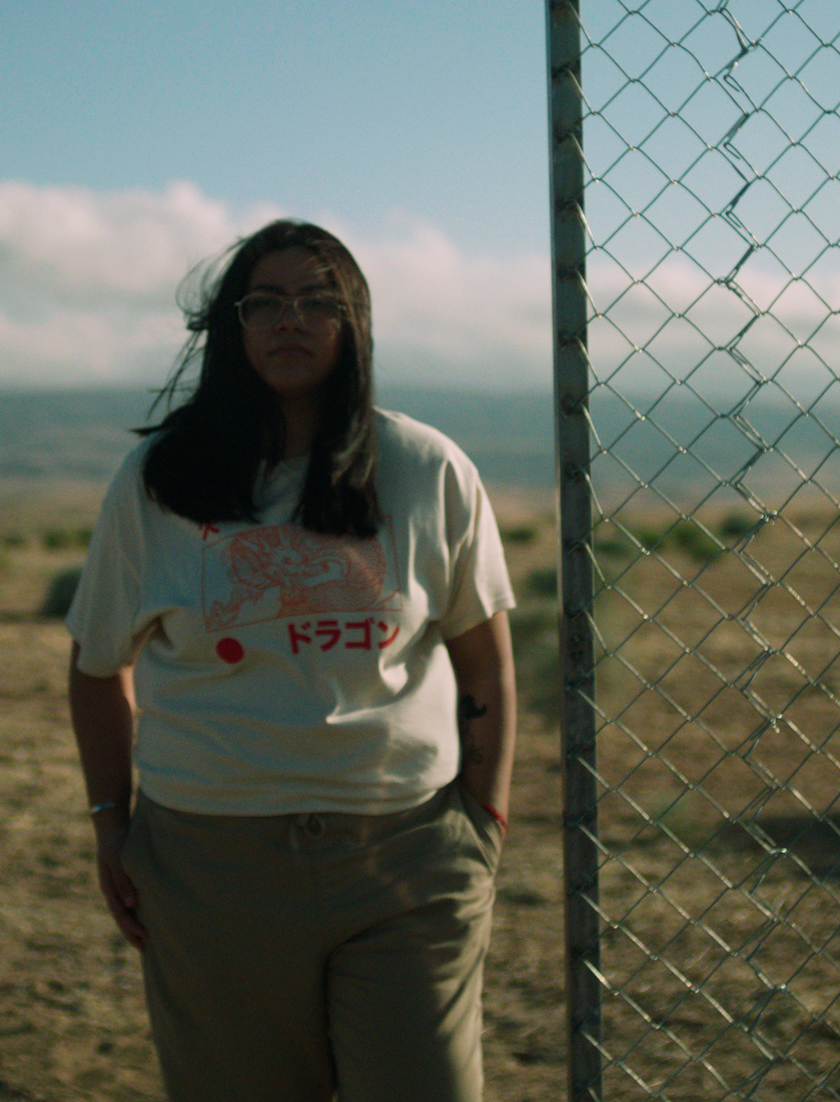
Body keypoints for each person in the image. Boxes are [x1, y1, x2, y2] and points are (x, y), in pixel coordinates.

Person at [65, 219, 517, 1102]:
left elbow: (487, 669)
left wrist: (485, 823)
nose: (290, 321)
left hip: (406, 860)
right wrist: (110, 824)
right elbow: (95, 669)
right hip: (210, 867)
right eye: (264, 302)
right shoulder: (158, 481)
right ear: (233, 328)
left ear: (355, 326)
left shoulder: (427, 470)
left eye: (318, 302)